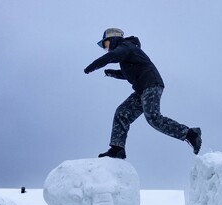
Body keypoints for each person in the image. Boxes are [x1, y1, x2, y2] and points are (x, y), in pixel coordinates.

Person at [84, 28, 202, 159]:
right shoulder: (128, 52)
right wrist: (112, 73)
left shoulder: (126, 46)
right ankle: (117, 149)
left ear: (111, 39)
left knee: (153, 117)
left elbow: (110, 57)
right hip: (142, 89)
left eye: (105, 45)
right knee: (122, 113)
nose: (105, 49)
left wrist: (91, 67)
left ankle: (191, 134)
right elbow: (129, 73)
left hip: (151, 84)